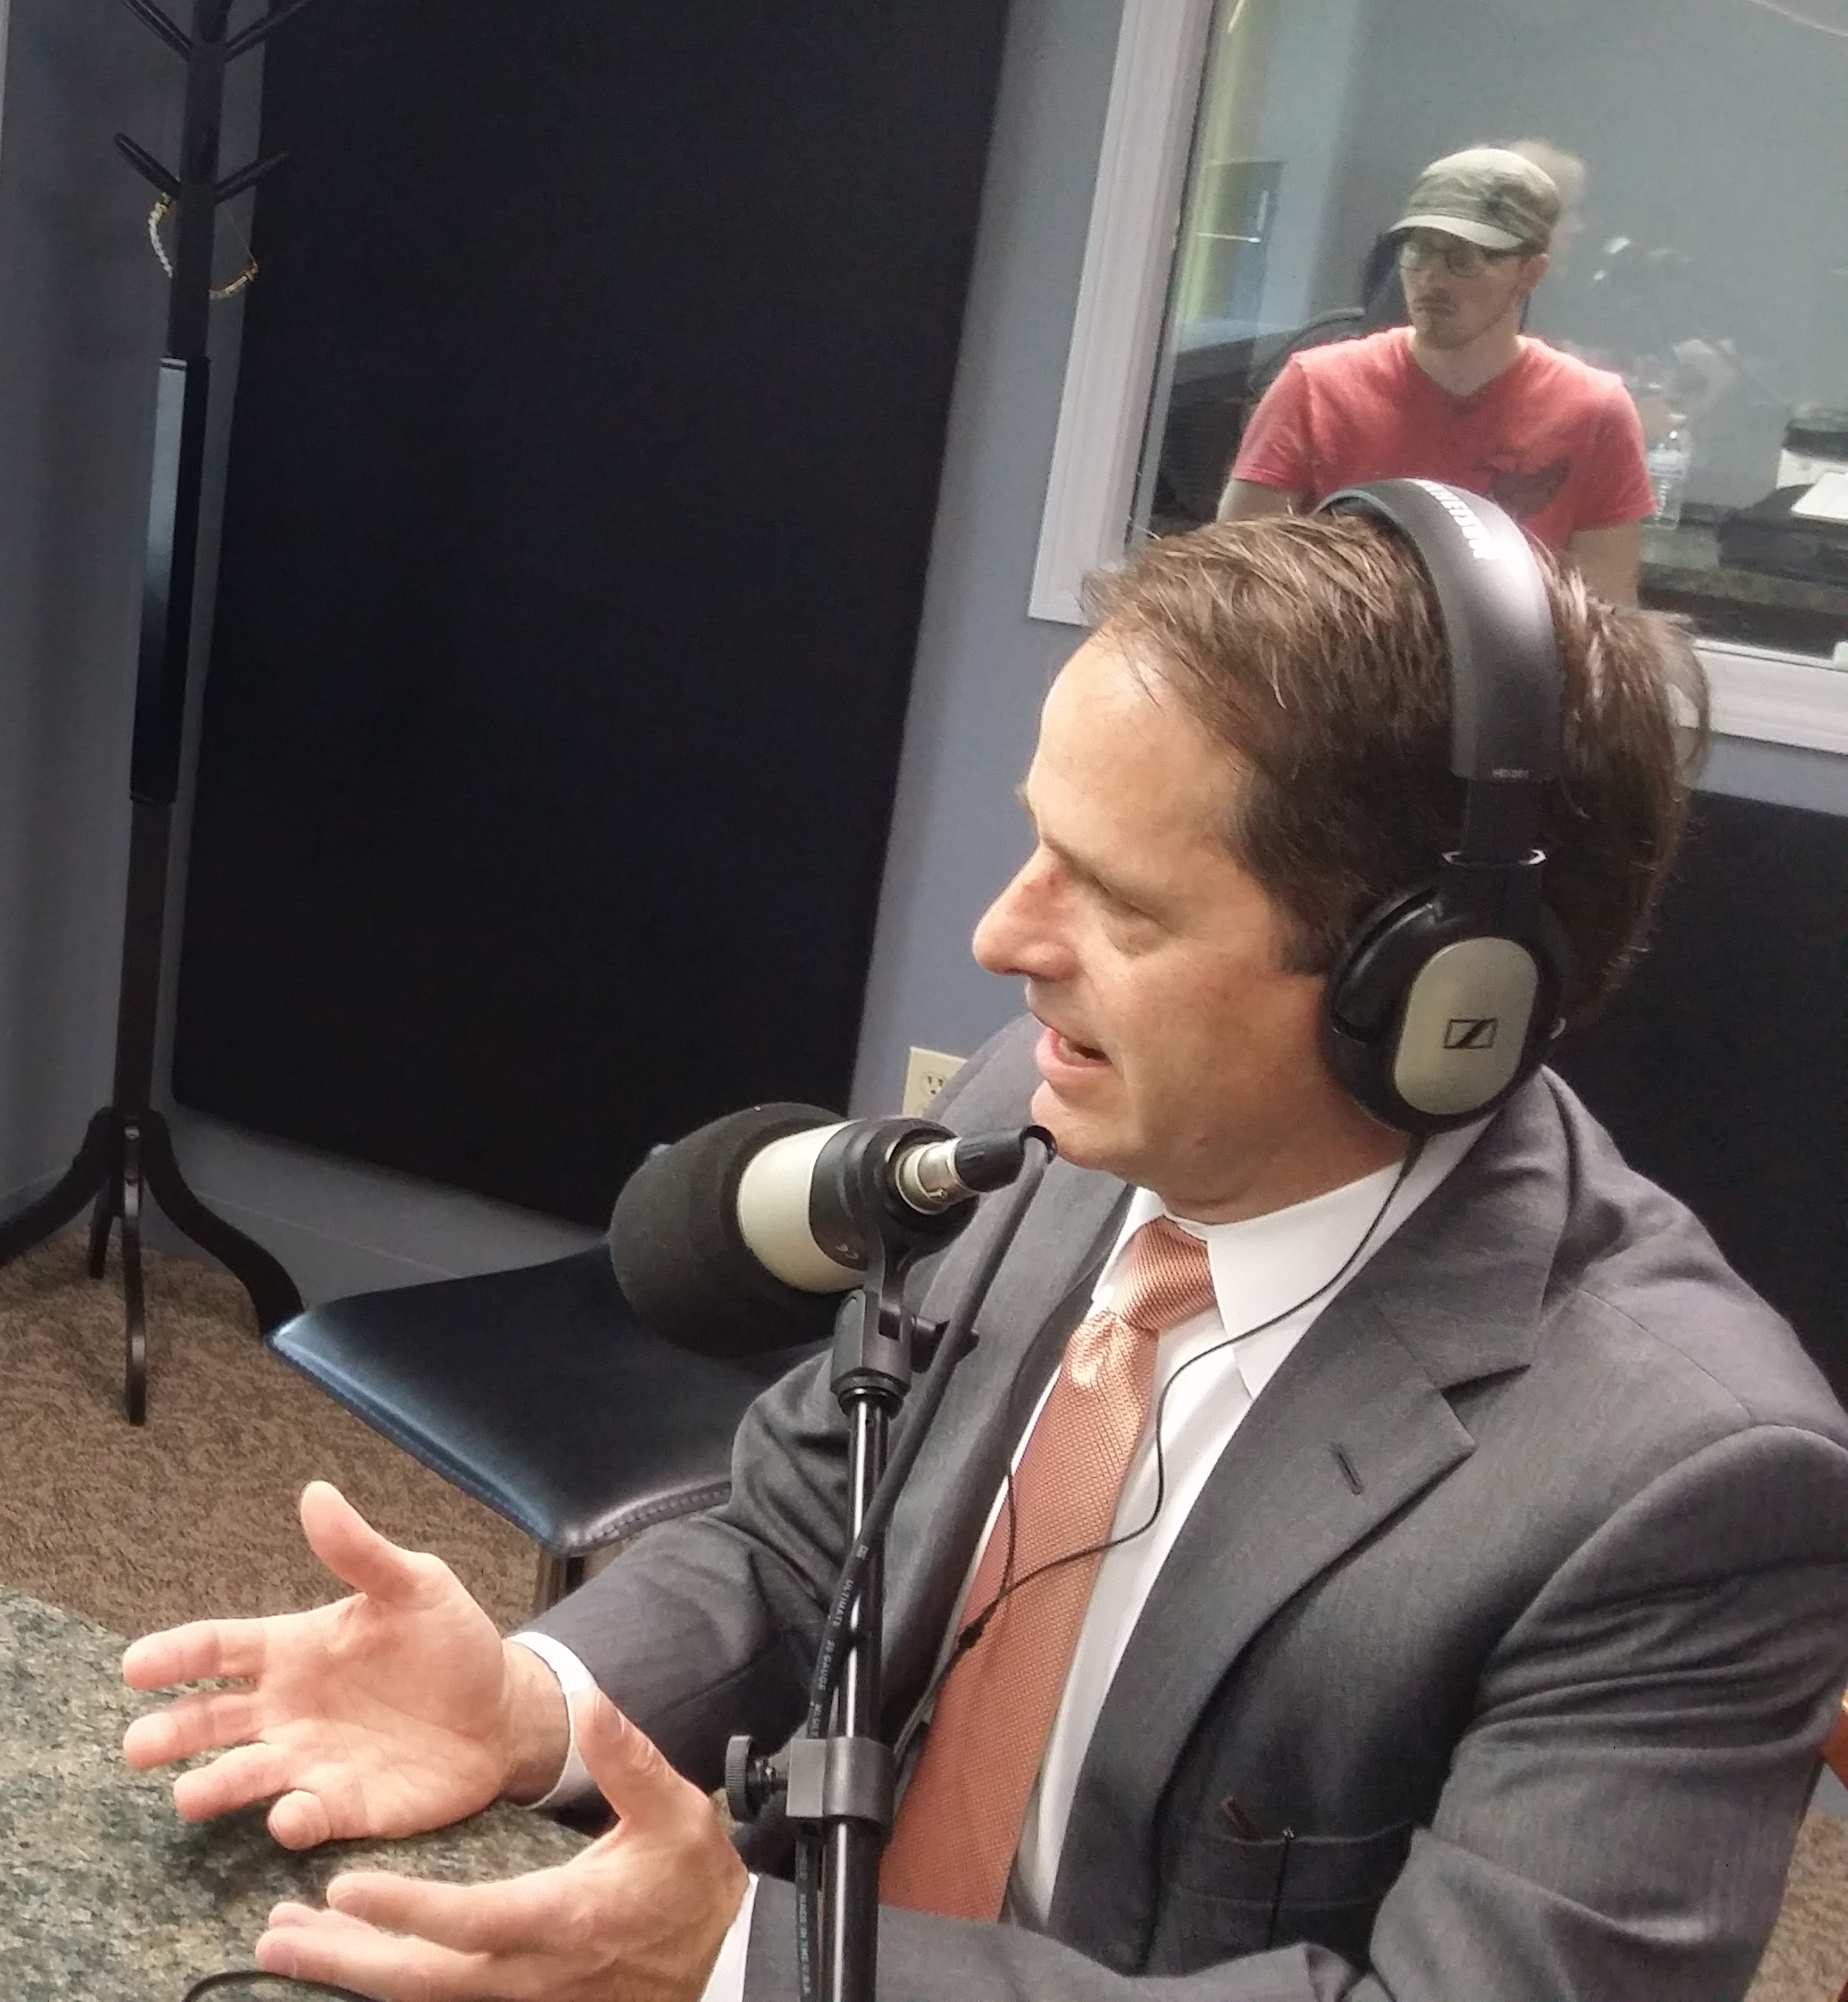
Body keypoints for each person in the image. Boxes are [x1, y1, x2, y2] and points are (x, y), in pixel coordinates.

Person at [121, 507, 1848, 1997]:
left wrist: (747, 1965)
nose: (999, 936)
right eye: (1037, 843)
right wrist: (534, 1698)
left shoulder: (1687, 1482)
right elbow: (809, 1539)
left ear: (1432, 1001)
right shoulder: (1057, 1105)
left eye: (1120, 901)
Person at [1222, 147, 1652, 605]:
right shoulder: (1315, 387)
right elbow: (1236, 585)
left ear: (1529, 272)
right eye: (1418, 251)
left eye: (1463, 259)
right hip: (1339, 648)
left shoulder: (1594, 411)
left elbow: (1607, 614)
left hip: (1513, 651)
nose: (1431, 278)